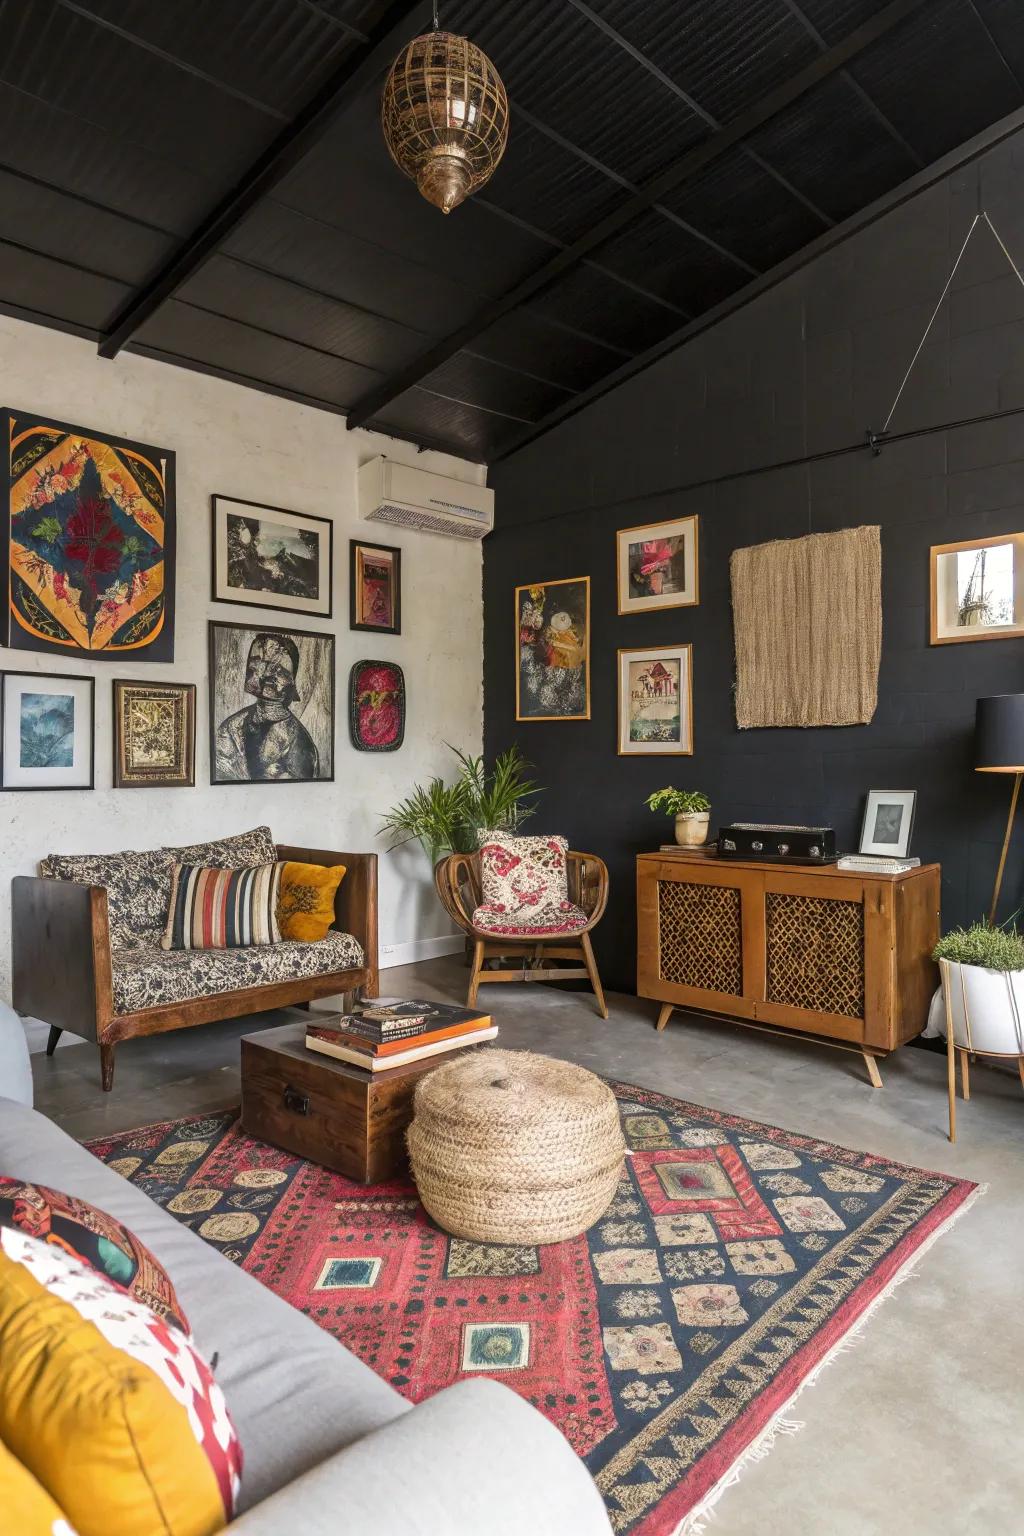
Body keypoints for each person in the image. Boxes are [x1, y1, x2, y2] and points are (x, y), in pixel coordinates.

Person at [215, 632, 319, 780]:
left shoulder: (298, 740)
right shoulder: (231, 727)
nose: (267, 674)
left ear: (291, 681)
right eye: (260, 664)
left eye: (280, 670)